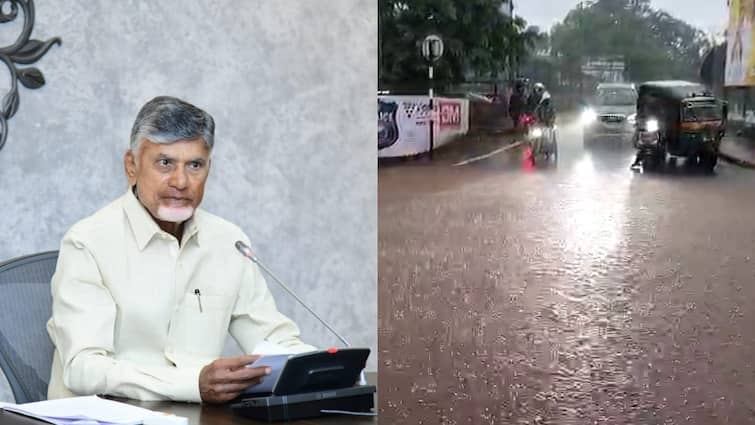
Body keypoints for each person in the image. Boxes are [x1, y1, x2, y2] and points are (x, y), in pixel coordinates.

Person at [46, 96, 317, 404]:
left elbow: (272, 339)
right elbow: (82, 369)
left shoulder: (229, 241)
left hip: (194, 417)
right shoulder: (87, 242)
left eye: (195, 165)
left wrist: (325, 368)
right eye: (165, 163)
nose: (181, 181)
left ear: (209, 169)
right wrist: (192, 383)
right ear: (131, 166)